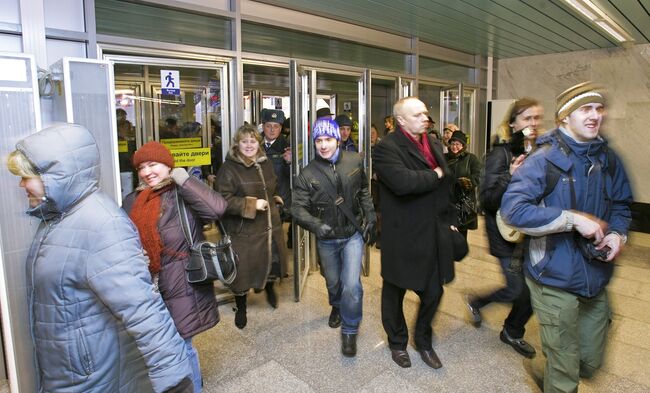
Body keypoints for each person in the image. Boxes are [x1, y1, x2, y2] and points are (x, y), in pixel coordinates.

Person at [6, 124, 194, 393]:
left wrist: (174, 379)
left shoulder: (101, 225)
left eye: (27, 177)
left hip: (91, 376)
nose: (22, 185)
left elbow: (142, 309)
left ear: (59, 175)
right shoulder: (57, 217)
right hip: (68, 371)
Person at [501, 82, 633, 392]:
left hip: (595, 275)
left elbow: (623, 205)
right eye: (584, 109)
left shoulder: (608, 159)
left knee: (589, 363)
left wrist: (617, 234)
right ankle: (556, 379)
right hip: (553, 274)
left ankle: (551, 373)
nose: (594, 115)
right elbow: (513, 210)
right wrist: (571, 220)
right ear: (565, 118)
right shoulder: (543, 159)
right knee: (565, 372)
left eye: (598, 109)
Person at [123, 141, 227, 393]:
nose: (147, 172)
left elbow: (217, 209)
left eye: (153, 164)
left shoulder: (181, 193)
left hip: (182, 283)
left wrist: (183, 178)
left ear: (167, 165)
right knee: (161, 346)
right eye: (142, 167)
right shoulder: (132, 200)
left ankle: (192, 388)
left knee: (181, 344)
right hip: (148, 286)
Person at [373, 97, 455, 369]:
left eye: (425, 113)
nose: (425, 118)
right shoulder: (387, 147)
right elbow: (403, 182)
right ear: (401, 120)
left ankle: (423, 340)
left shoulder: (430, 141)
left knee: (433, 292)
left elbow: (447, 177)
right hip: (402, 234)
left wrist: (449, 217)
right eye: (418, 114)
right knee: (394, 293)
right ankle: (397, 343)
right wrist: (435, 175)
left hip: (431, 231)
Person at [291, 118, 376, 357]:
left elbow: (363, 191)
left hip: (351, 236)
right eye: (318, 140)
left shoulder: (354, 161)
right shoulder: (307, 174)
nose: (323, 145)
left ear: (338, 139)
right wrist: (316, 226)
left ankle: (350, 331)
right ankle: (336, 306)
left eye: (328, 139)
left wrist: (370, 216)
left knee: (352, 285)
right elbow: (297, 208)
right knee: (334, 284)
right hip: (326, 239)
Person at [467, 98, 543, 359]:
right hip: (507, 234)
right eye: (526, 118)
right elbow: (486, 200)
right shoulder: (500, 153)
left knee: (532, 291)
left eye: (536, 118)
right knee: (516, 290)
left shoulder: (540, 151)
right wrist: (510, 175)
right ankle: (478, 302)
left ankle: (512, 330)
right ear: (513, 123)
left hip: (533, 233)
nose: (532, 124)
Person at [215, 124, 288, 328]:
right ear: (237, 144)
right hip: (244, 230)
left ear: (259, 142)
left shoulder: (264, 162)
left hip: (269, 222)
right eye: (244, 141)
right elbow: (222, 200)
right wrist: (251, 204)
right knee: (243, 272)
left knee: (271, 259)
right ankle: (241, 306)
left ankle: (269, 288)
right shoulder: (229, 168)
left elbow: (270, 185)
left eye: (253, 141)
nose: (249, 145)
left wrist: (274, 197)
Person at [259, 109, 293, 248]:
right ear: (263, 125)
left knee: (275, 239)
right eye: (269, 126)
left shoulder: (287, 147)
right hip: (259, 199)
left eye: (276, 126)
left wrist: (289, 163)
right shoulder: (252, 145)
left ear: (281, 128)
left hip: (280, 200)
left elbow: (294, 178)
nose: (272, 130)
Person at [445, 130, 482, 238]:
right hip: (446, 201)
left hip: (463, 202)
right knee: (445, 232)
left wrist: (468, 182)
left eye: (457, 144)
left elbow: (479, 175)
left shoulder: (471, 158)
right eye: (452, 143)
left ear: (463, 145)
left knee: (460, 234)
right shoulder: (444, 157)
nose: (454, 147)